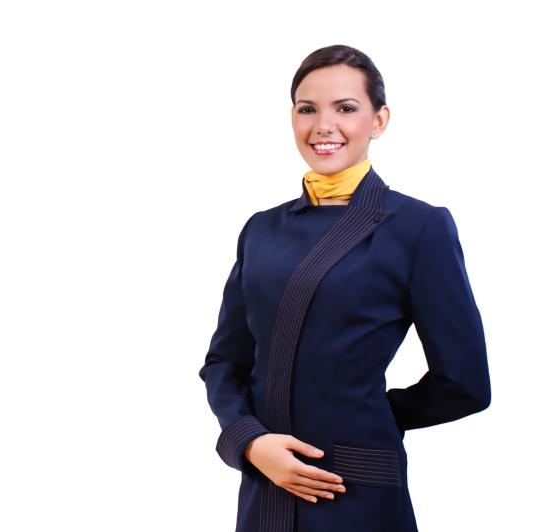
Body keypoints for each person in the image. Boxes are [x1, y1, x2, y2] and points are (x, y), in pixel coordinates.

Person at [199, 45, 490, 532]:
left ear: (379, 121)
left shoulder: (417, 227)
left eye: (346, 108)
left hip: (354, 488)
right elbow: (224, 364)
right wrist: (250, 440)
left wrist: (369, 415)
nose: (323, 125)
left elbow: (465, 383)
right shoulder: (261, 230)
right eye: (307, 109)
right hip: (264, 488)